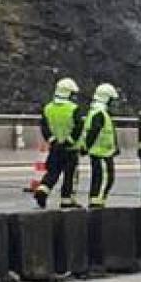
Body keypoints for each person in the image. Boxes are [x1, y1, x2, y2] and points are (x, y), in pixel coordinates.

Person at [33, 77, 83, 209]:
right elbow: (78, 127)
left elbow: (44, 127)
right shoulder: (73, 108)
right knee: (69, 175)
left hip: (54, 148)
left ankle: (42, 190)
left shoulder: (48, 108)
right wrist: (69, 141)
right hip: (70, 149)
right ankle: (67, 200)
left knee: (52, 173)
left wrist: (52, 140)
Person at [81, 83, 120, 207]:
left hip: (101, 151)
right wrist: (86, 147)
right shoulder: (100, 113)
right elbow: (94, 131)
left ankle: (96, 199)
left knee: (99, 177)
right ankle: (97, 200)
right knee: (104, 177)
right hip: (102, 152)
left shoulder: (95, 112)